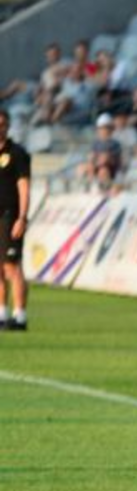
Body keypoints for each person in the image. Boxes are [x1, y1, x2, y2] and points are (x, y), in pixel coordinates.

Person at [0, 109, 32, 331]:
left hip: (10, 216)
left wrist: (22, 217)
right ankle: (2, 314)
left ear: (8, 126)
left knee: (12, 266)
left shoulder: (17, 153)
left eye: (2, 124)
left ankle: (20, 316)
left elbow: (24, 187)